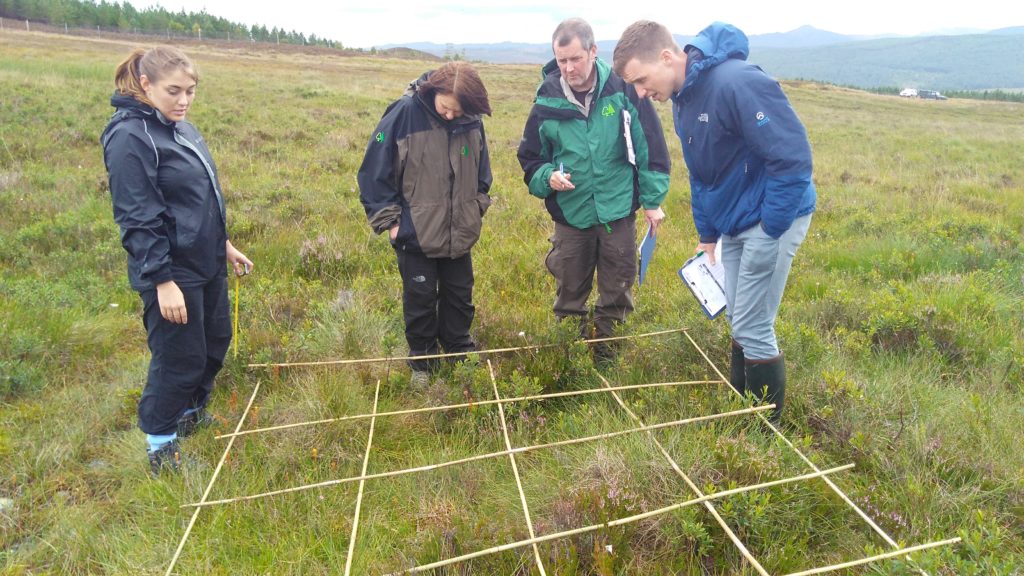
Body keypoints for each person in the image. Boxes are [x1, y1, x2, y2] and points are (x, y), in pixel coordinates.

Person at [613, 21, 816, 422]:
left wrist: (771, 229)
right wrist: (709, 233)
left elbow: (792, 158)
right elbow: (701, 171)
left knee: (754, 322)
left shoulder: (736, 83)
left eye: (641, 79)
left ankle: (763, 431)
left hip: (771, 219)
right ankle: (743, 408)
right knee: (738, 316)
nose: (640, 92)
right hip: (735, 223)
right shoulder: (683, 98)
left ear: (667, 58)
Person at [101, 46, 253, 475]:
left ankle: (190, 413)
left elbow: (200, 196)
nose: (184, 100)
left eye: (191, 91)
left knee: (214, 343)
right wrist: (161, 280)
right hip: (170, 271)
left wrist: (223, 243)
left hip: (206, 260)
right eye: (174, 91)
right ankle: (160, 444)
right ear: (145, 84)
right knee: (177, 358)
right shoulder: (131, 137)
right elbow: (137, 216)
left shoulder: (180, 127)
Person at [517, 18, 670, 364]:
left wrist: (652, 200)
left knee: (617, 287)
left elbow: (651, 147)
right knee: (570, 289)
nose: (569, 68)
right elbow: (530, 158)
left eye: (575, 59)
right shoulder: (547, 100)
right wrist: (547, 177)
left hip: (617, 210)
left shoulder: (623, 88)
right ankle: (569, 357)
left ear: (593, 51)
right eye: (561, 61)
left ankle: (607, 356)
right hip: (572, 214)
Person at [357, 62, 493, 387]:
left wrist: (475, 208)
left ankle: (459, 354)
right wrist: (392, 223)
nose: (450, 115)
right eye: (446, 107)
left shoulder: (471, 121)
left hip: (459, 232)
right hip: (415, 235)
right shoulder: (403, 113)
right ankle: (424, 365)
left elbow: (482, 174)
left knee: (459, 297)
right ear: (435, 91)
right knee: (420, 300)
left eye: (457, 112)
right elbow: (373, 171)